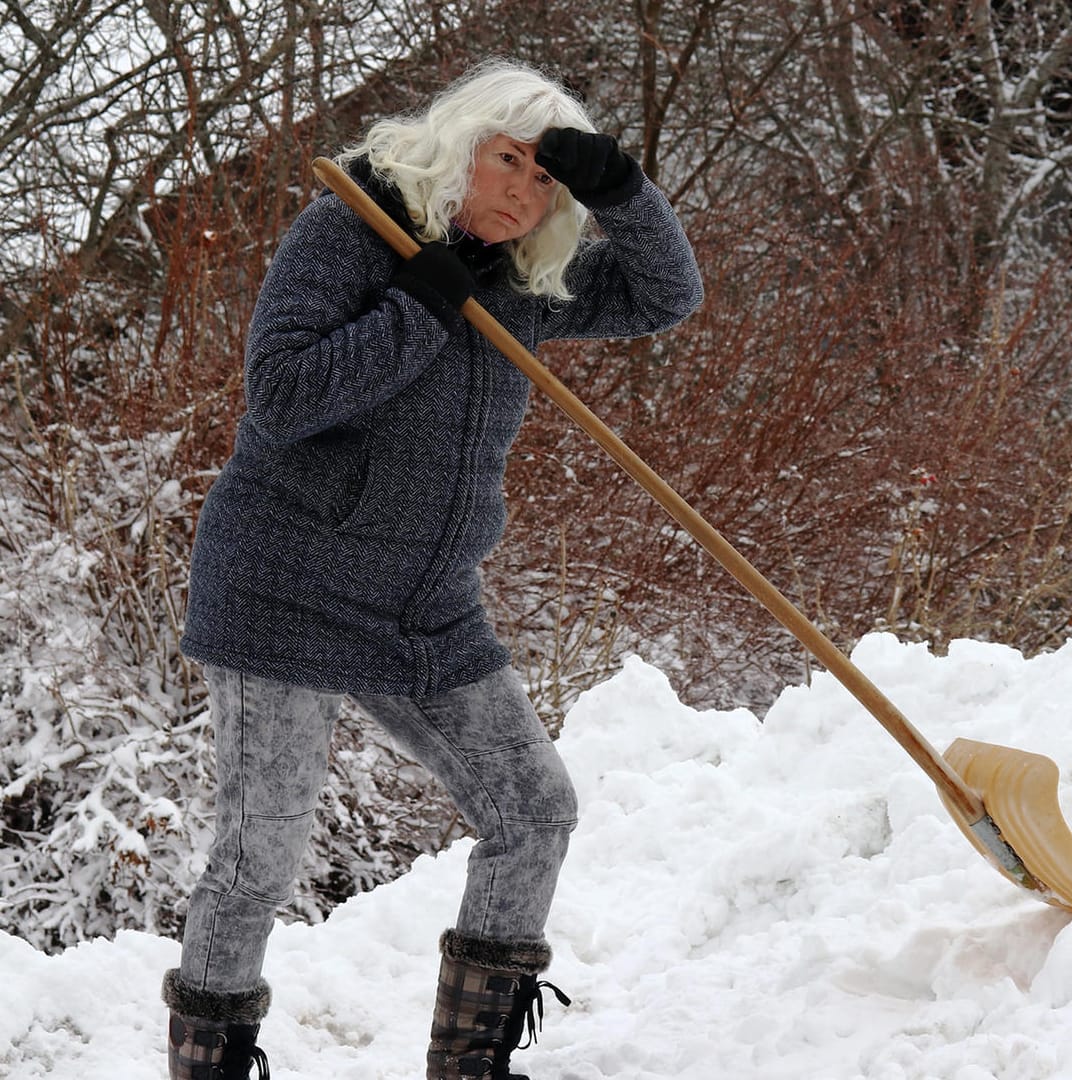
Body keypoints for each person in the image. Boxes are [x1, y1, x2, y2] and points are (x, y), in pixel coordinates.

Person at [161, 59, 703, 1080]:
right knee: (260, 856)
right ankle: (209, 1066)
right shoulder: (349, 231)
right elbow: (281, 396)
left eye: (547, 182)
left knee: (534, 810)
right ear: (460, 146)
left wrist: (624, 191)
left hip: (426, 607)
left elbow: (665, 297)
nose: (522, 193)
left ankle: (471, 1065)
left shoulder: (528, 284)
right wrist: (417, 303)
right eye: (509, 162)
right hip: (285, 589)